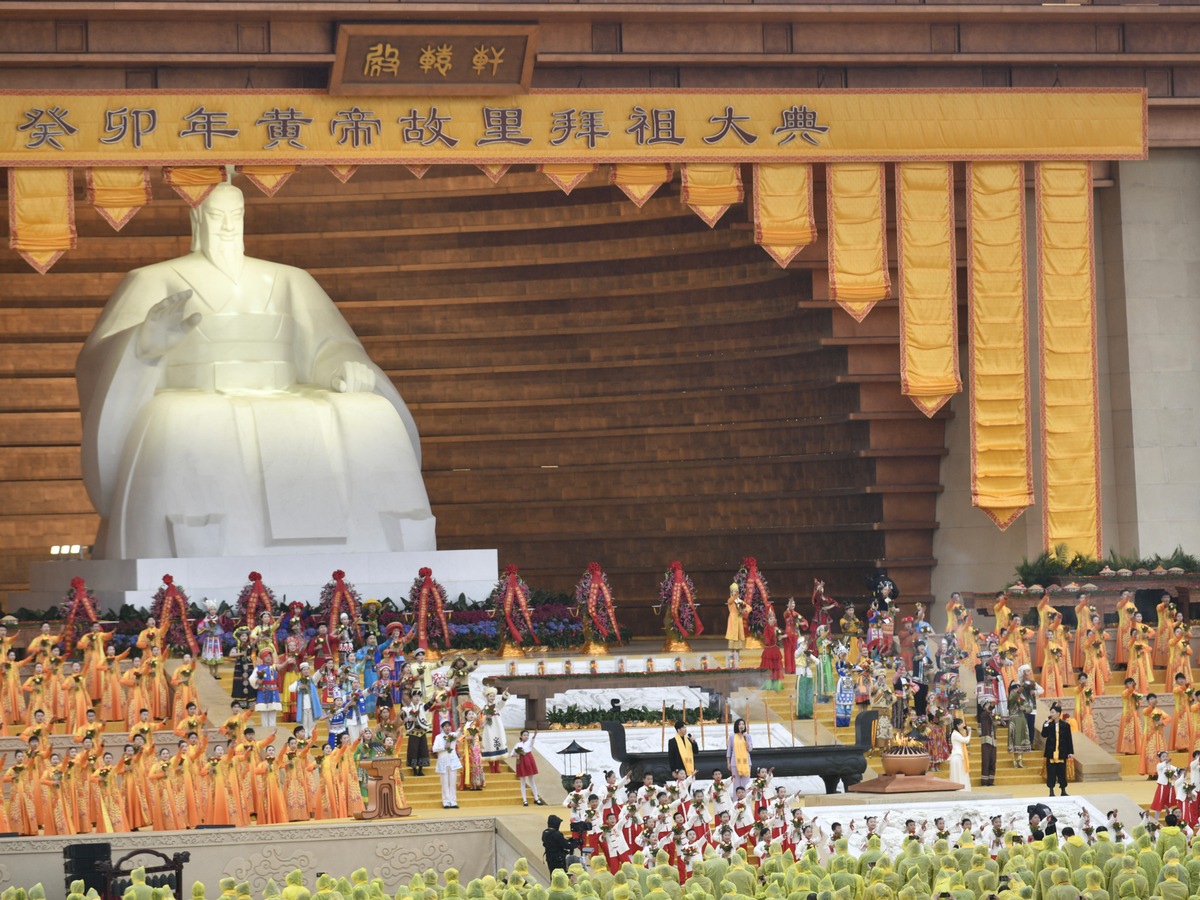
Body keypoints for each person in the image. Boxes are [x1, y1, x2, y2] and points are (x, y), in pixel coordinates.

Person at [75, 181, 435, 560]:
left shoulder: (290, 279)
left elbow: (331, 344)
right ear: (197, 218)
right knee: (180, 417)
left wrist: (344, 367)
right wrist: (143, 343)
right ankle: (195, 546)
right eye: (217, 216)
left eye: (236, 216)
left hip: (284, 387)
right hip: (198, 391)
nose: (229, 227)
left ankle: (395, 542)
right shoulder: (152, 279)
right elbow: (97, 358)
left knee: (367, 411)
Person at [1042, 703, 1075, 797]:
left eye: (1053, 712)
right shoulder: (1049, 724)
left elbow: (1069, 739)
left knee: (1062, 772)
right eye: (1050, 712)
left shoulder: (1065, 725)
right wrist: (1046, 724)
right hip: (1051, 752)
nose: (1051, 714)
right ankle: (1051, 791)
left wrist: (1070, 752)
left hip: (1062, 752)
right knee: (1051, 772)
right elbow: (1044, 735)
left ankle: (1063, 790)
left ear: (1058, 713)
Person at [510, 729, 544, 806]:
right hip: (521, 761)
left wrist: (534, 735)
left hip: (529, 760)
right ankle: (525, 800)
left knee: (531, 780)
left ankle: (536, 798)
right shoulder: (518, 744)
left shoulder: (529, 743)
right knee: (523, 781)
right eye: (524, 735)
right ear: (521, 736)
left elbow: (532, 740)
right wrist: (517, 755)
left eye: (527, 735)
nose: (526, 737)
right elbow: (511, 754)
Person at [431, 720, 460, 809]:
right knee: (444, 783)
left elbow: (461, 733)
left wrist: (463, 723)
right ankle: (446, 802)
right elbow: (434, 749)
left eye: (449, 726)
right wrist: (444, 747)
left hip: (452, 761)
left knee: (452, 783)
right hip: (443, 762)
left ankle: (453, 801)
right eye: (445, 726)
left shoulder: (453, 735)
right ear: (442, 728)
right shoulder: (438, 737)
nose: (447, 728)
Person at [726, 718, 752, 790]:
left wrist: (745, 738)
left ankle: (746, 800)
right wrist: (728, 763)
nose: (741, 726)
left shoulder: (748, 736)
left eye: (743, 724)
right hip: (735, 762)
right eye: (740, 724)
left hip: (746, 762)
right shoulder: (732, 737)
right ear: (736, 726)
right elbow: (729, 750)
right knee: (736, 783)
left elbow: (750, 749)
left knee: (746, 784)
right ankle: (736, 800)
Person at [725, 584, 747, 666]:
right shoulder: (731, 600)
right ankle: (732, 656)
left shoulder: (740, 601)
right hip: (732, 620)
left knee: (739, 638)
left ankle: (737, 656)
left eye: (736, 591)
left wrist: (744, 610)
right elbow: (730, 601)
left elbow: (747, 607)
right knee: (732, 638)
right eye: (734, 591)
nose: (736, 592)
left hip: (739, 620)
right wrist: (734, 596)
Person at [947, 718, 972, 790]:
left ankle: (963, 788)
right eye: (961, 724)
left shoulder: (956, 733)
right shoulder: (955, 734)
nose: (963, 725)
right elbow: (966, 740)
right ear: (957, 725)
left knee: (961, 774)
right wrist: (969, 732)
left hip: (959, 756)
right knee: (959, 774)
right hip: (957, 757)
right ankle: (959, 788)